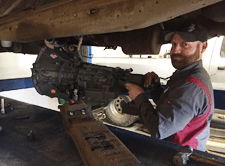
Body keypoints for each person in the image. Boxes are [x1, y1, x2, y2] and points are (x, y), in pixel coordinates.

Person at [122, 20, 214, 152]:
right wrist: (155, 89)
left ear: (203, 47)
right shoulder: (186, 73)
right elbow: (171, 108)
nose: (176, 50)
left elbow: (159, 129)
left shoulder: (191, 86)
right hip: (174, 150)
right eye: (174, 44)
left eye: (185, 45)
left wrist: (139, 97)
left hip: (178, 156)